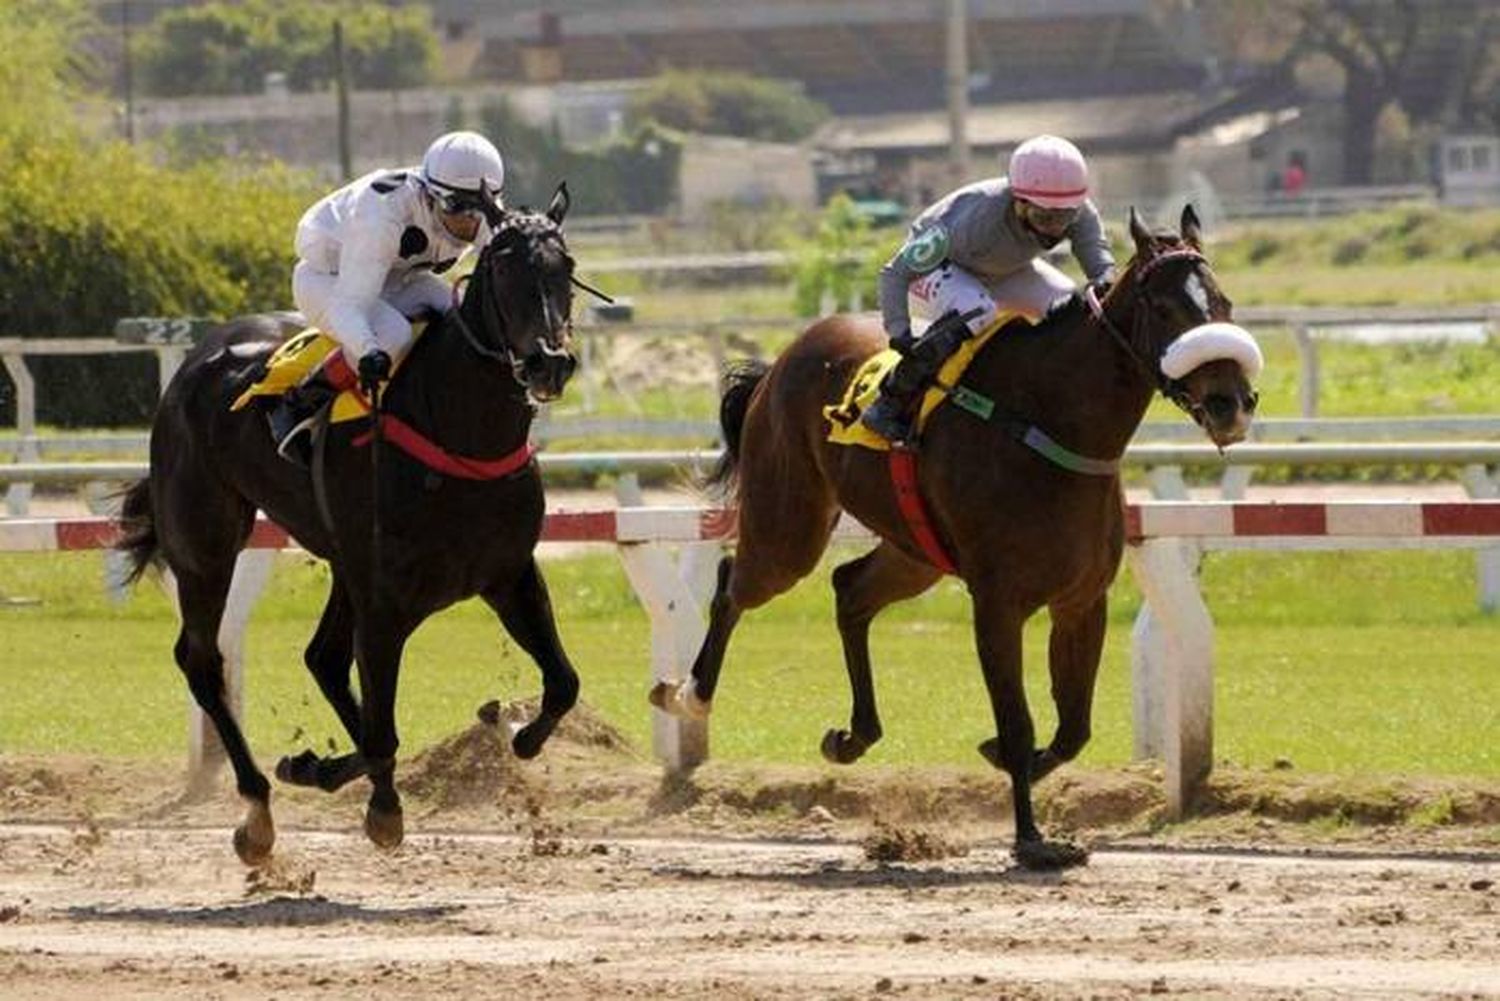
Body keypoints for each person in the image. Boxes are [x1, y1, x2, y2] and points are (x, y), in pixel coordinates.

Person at [268, 130, 506, 463]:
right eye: (458, 208)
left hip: (397, 279)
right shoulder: (381, 216)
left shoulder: (474, 205)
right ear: (429, 194)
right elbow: (351, 305)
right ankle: (301, 402)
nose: (470, 221)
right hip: (328, 282)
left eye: (481, 208)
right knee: (392, 334)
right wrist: (367, 349)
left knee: (466, 316)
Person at [861, 134, 1116, 443]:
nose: (1054, 229)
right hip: (933, 272)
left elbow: (1099, 265)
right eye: (1043, 217)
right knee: (978, 308)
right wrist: (899, 332)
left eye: (1064, 218)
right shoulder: (973, 220)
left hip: (1003, 271)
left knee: (1069, 304)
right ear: (1017, 200)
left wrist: (1107, 283)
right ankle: (890, 400)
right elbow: (894, 274)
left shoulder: (1076, 207)